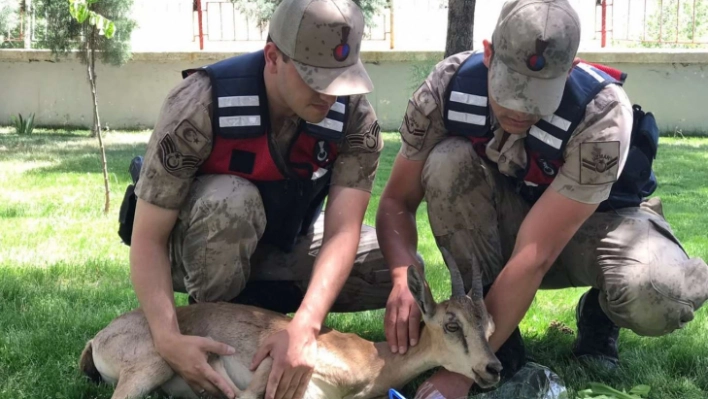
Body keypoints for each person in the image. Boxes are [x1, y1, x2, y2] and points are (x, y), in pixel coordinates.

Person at [375, 0, 708, 398]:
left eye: (536, 95)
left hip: (597, 228)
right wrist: (400, 275)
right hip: (512, 219)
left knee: (658, 296)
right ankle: (499, 338)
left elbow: (536, 253)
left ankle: (600, 313)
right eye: (510, 88)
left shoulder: (602, 114)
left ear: (568, 70)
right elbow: (396, 200)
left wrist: (461, 375)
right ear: (488, 52)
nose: (519, 108)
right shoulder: (447, 86)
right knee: (447, 163)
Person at [120, 1, 393, 398]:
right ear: (272, 57)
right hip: (200, 246)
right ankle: (216, 317)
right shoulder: (199, 104)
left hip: (286, 241)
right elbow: (148, 238)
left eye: (341, 80)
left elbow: (342, 231)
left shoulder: (355, 119)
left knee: (395, 267)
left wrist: (306, 326)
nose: (330, 96)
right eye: (315, 78)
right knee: (232, 200)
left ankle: (269, 313)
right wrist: (166, 337)